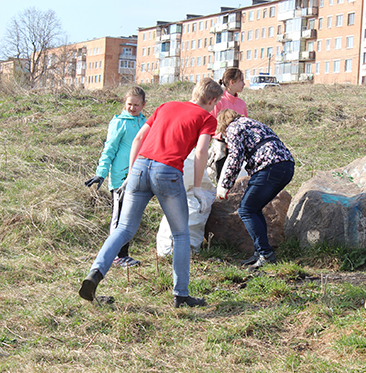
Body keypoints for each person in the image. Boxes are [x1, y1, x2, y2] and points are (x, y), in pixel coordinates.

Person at [79, 78, 224, 308]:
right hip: (167, 173)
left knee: (124, 229)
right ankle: (181, 295)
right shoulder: (207, 118)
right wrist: (197, 187)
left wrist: (130, 174)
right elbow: (201, 152)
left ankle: (94, 274)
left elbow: (139, 138)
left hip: (139, 168)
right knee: (181, 235)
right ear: (213, 100)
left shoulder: (166, 106)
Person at [215, 109, 295, 271]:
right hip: (286, 166)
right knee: (254, 209)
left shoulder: (233, 128)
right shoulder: (254, 124)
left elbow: (235, 157)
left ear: (223, 125)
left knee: (246, 210)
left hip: (268, 167)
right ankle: (260, 253)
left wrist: (225, 185)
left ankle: (265, 254)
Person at [84, 87, 147, 268]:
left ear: (143, 104)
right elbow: (109, 149)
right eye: (129, 104)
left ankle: (124, 254)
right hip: (120, 180)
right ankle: (116, 256)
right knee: (119, 219)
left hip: (138, 177)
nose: (132, 108)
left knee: (130, 219)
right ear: (124, 103)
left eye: (136, 105)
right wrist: (101, 173)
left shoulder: (145, 123)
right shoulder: (119, 123)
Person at [208, 68, 248, 182]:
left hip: (238, 147)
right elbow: (211, 124)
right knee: (222, 180)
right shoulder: (219, 101)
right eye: (241, 81)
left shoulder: (242, 104)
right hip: (222, 148)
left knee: (237, 180)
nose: (244, 84)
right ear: (232, 82)